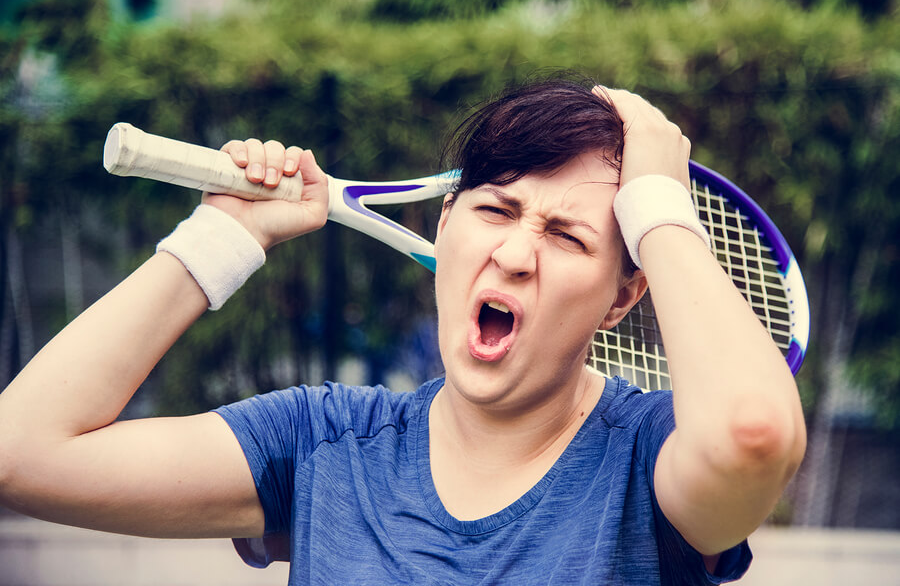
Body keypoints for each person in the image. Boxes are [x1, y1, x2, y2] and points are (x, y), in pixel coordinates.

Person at [0, 80, 806, 585]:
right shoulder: (323, 442)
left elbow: (753, 432)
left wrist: (662, 212)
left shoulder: (649, 460)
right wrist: (217, 242)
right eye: (494, 209)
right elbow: (21, 453)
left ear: (623, 297)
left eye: (569, 238)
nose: (517, 253)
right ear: (446, 223)